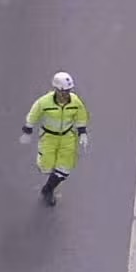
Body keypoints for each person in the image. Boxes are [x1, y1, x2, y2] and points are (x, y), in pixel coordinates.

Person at [19, 71, 90, 206]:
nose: (66, 94)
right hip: (48, 137)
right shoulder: (44, 102)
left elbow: (81, 116)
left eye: (68, 91)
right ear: (56, 90)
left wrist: (82, 132)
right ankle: (49, 172)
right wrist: (27, 130)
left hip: (67, 137)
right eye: (63, 91)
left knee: (64, 169)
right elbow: (33, 115)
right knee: (46, 166)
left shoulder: (75, 101)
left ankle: (48, 189)